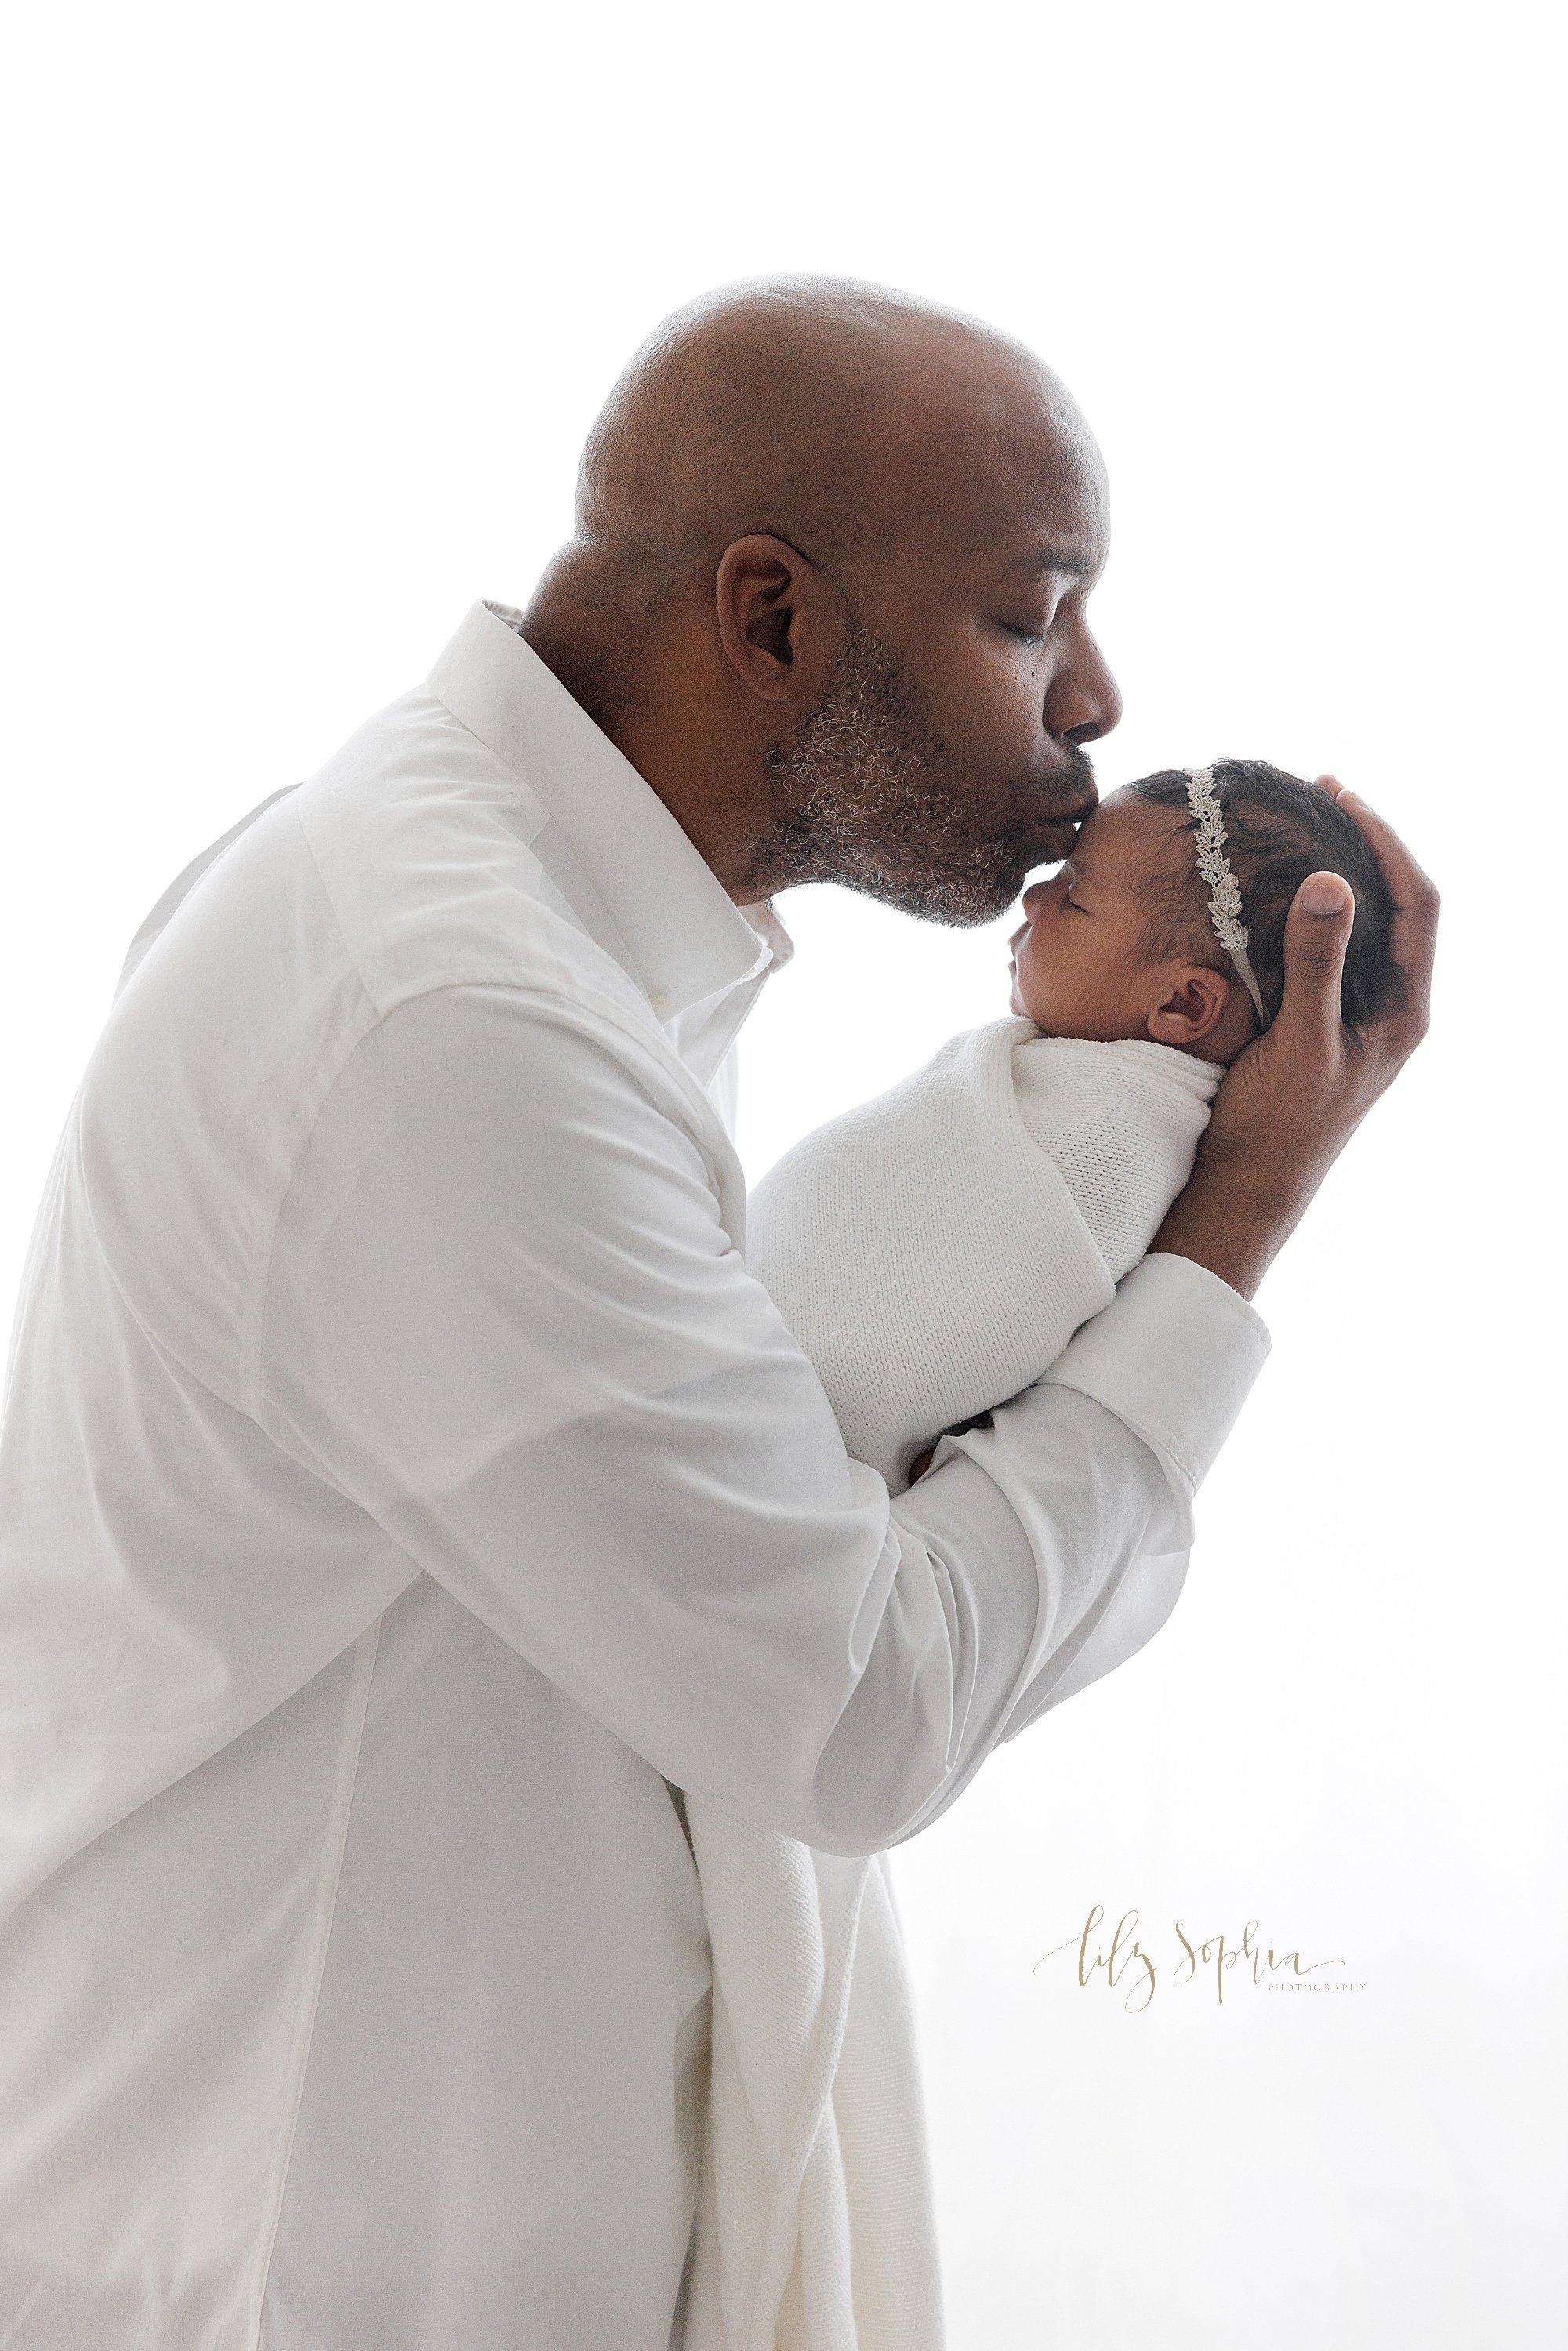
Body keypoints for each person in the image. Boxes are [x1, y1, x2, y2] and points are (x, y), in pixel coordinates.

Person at [0, 279, 1436, 2351]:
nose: (1102, 694)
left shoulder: (529, 918)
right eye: (1033, 613)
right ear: (774, 618)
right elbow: (852, 1703)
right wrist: (1235, 1225)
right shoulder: (461, 1013)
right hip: (291, 2252)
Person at [748, 756, 1405, 1490]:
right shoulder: (1092, 1089)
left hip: (769, 1430)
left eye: (1075, 896)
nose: (1034, 896)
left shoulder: (1115, 1142)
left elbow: (981, 1314)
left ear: (1185, 1005)